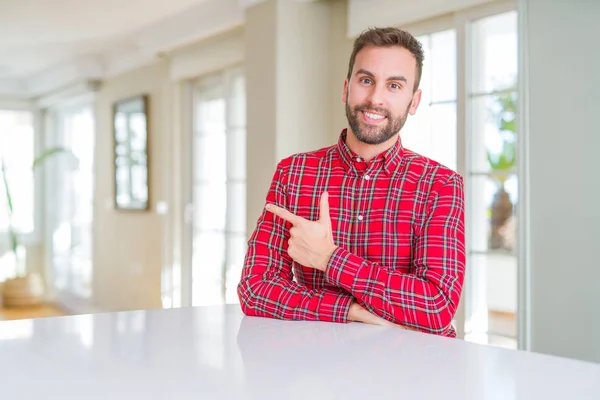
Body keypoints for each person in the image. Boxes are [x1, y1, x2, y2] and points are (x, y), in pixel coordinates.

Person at [237, 27, 466, 337]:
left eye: (394, 85)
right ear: (346, 88)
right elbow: (255, 288)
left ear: (414, 101)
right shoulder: (294, 173)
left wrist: (330, 259)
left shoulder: (440, 184)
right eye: (366, 80)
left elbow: (436, 306)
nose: (375, 98)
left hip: (413, 372)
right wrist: (350, 311)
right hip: (318, 370)